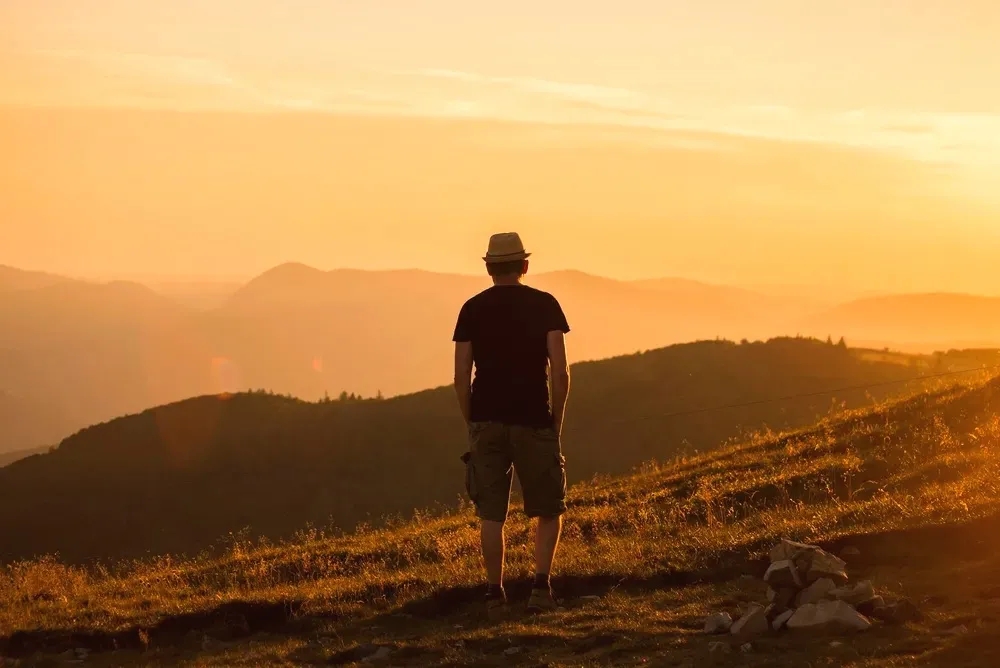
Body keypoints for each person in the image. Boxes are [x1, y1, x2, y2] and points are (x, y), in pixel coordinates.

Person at [452, 232, 571, 618]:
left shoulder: (471, 309)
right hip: (534, 416)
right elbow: (561, 371)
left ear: (488, 268)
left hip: (486, 419)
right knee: (548, 506)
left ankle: (493, 593)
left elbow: (460, 375)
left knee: (491, 513)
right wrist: (555, 420)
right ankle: (540, 587)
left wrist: (473, 420)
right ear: (524, 266)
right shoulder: (546, 305)